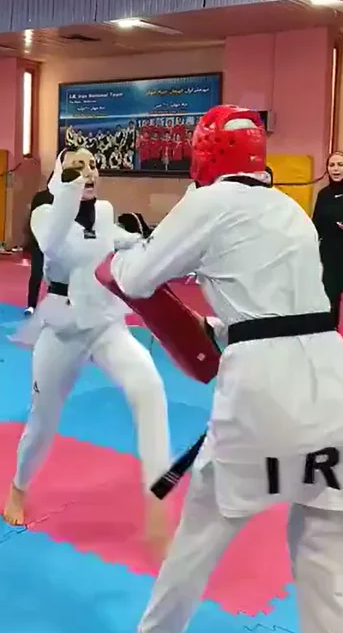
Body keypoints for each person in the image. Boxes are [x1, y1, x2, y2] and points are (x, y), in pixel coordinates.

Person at [104, 105, 343, 633]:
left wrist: (116, 253)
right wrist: (214, 327)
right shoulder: (290, 208)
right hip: (331, 385)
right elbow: (280, 310)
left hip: (263, 392)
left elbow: (137, 278)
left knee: (198, 540)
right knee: (326, 565)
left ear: (203, 153)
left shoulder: (209, 201)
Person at [3, 147, 172, 553]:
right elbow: (52, 243)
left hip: (106, 325)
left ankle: (157, 496)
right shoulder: (46, 211)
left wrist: (159, 244)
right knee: (42, 422)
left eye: (93, 165)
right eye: (77, 166)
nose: (89, 172)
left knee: (149, 386)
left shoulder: (106, 211)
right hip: (62, 329)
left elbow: (122, 241)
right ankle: (18, 487)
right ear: (61, 175)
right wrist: (69, 187)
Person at [312, 151, 343, 329]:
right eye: (332, 165)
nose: (336, 169)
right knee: (330, 299)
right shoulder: (323, 194)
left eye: (340, 165)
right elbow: (316, 226)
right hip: (330, 257)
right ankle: (331, 334)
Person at [24, 187, 51, 316]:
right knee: (36, 273)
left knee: (57, 277)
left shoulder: (65, 198)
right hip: (39, 241)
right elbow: (33, 218)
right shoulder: (40, 197)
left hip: (56, 243)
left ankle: (57, 305)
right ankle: (31, 305)